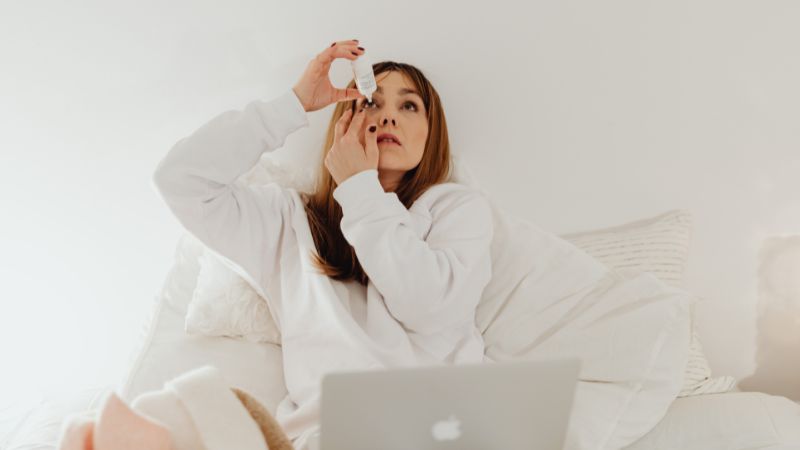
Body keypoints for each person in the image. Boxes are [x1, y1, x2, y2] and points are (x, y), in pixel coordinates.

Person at [152, 38, 494, 450]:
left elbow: (428, 306)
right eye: (371, 102)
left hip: (437, 428)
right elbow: (180, 180)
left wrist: (360, 189)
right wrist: (293, 104)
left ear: (431, 133)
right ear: (345, 122)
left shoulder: (456, 209)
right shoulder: (289, 220)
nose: (388, 116)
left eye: (409, 106)